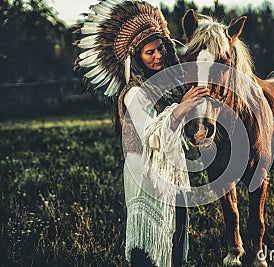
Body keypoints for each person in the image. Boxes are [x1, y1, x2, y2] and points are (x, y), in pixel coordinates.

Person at [74, 1, 208, 266]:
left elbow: (172, 132)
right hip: (145, 171)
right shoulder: (133, 92)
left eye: (159, 49)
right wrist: (181, 110)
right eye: (149, 53)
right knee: (149, 239)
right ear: (137, 57)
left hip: (173, 170)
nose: (158, 56)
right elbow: (151, 133)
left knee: (175, 230)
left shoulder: (169, 87)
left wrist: (195, 134)